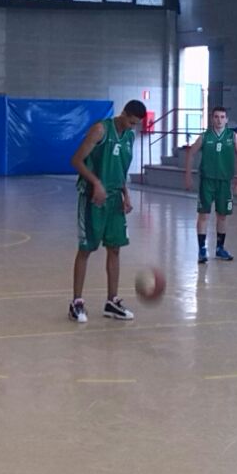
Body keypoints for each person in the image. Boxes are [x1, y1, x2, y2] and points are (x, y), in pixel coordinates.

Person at [69, 101, 146, 323]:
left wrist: (126, 195)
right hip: (92, 197)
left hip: (114, 199)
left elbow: (120, 169)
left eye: (136, 125)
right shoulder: (100, 129)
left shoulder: (129, 137)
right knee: (86, 249)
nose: (133, 127)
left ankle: (112, 302)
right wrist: (96, 183)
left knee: (115, 249)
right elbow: (76, 160)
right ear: (124, 114)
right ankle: (76, 302)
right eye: (131, 122)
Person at [184, 106, 237, 263]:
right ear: (212, 119)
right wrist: (188, 176)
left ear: (227, 119)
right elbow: (191, 153)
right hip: (207, 180)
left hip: (225, 181)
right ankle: (202, 249)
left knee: (222, 216)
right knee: (203, 214)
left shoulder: (233, 136)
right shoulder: (205, 137)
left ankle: (220, 248)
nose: (219, 120)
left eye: (222, 117)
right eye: (216, 117)